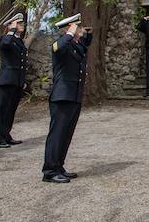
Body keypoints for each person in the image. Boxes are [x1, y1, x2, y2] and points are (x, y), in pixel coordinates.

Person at [42, 14, 91, 183]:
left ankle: (58, 166)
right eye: (77, 27)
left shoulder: (75, 45)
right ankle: (49, 170)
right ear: (68, 29)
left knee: (66, 134)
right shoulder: (60, 43)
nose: (81, 30)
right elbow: (59, 48)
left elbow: (84, 48)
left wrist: (84, 34)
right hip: (62, 96)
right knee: (57, 134)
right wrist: (69, 33)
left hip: (73, 95)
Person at [0, 14, 26, 148]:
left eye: (21, 23)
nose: (21, 25)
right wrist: (12, 30)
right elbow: (5, 44)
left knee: (10, 111)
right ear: (10, 25)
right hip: (6, 81)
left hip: (16, 81)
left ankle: (6, 135)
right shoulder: (5, 38)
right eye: (18, 23)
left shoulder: (19, 41)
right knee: (1, 110)